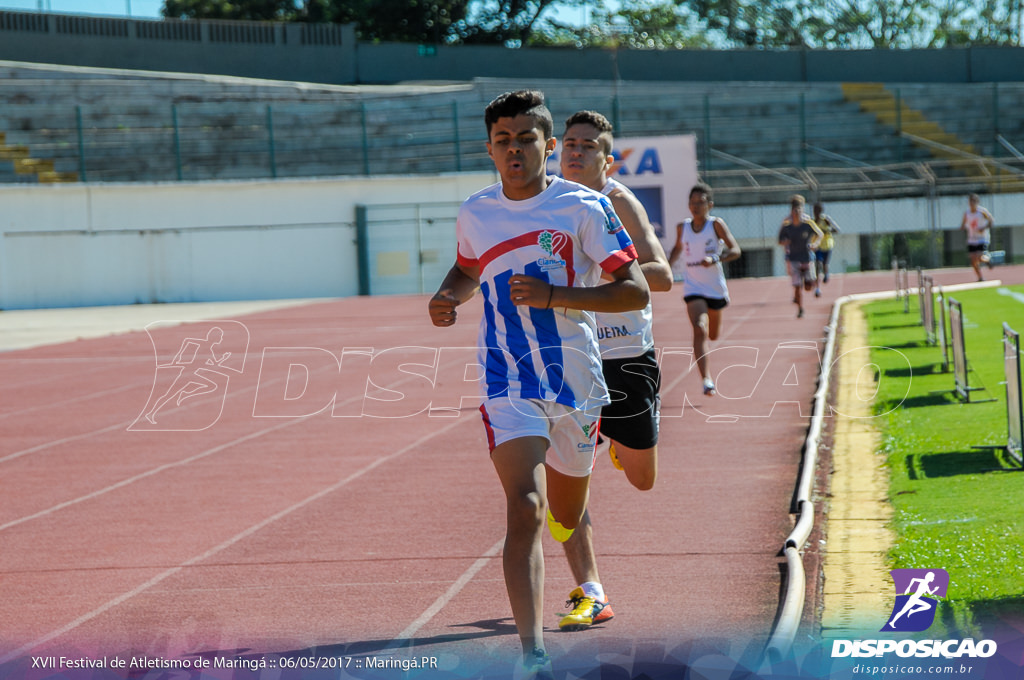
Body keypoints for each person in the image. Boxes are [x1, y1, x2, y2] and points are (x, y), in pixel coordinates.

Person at [427, 90, 649, 678]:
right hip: (507, 379)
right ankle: (533, 653)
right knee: (524, 507)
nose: (514, 149)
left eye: (526, 138)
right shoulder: (476, 211)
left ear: (548, 146)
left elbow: (635, 291)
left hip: (576, 381)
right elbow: (469, 266)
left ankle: (576, 526)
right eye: (503, 140)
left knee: (565, 511)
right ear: (490, 149)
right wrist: (448, 296)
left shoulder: (582, 207)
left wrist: (556, 296)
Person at [556, 110, 674, 632]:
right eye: (570, 144)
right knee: (563, 486)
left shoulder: (618, 202)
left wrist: (604, 269)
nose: (575, 152)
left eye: (588, 146)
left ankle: (626, 453)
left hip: (627, 356)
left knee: (643, 480)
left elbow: (663, 277)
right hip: (572, 357)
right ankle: (592, 590)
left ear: (607, 159)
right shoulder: (550, 201)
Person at [669, 183, 741, 396]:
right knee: (699, 328)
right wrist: (666, 267)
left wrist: (716, 258)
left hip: (714, 288)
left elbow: (735, 250)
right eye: (692, 203)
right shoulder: (682, 227)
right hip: (693, 288)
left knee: (713, 335)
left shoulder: (715, 225)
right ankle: (706, 379)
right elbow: (676, 249)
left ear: (709, 204)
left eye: (700, 203)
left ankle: (706, 369)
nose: (695, 207)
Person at [777, 194, 822, 318]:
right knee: (796, 286)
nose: (797, 212)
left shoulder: (807, 221)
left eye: (799, 208)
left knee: (807, 287)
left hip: (807, 256)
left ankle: (811, 285)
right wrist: (785, 243)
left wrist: (815, 243)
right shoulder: (786, 222)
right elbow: (780, 239)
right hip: (792, 256)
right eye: (794, 209)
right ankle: (800, 307)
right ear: (791, 209)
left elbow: (819, 234)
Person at [960, 193, 995, 282]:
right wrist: (962, 227)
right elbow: (963, 223)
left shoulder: (982, 212)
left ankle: (987, 261)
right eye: (971, 201)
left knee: (979, 256)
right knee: (973, 260)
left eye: (974, 201)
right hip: (972, 239)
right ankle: (980, 277)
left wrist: (984, 228)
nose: (972, 203)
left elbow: (991, 221)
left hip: (982, 238)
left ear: (977, 202)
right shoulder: (967, 213)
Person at [812, 202, 840, 296]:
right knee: (818, 264)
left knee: (825, 264)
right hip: (818, 246)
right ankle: (817, 288)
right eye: (814, 210)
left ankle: (826, 274)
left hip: (827, 245)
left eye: (818, 210)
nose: (816, 212)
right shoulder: (812, 221)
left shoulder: (826, 220)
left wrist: (826, 230)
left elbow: (837, 229)